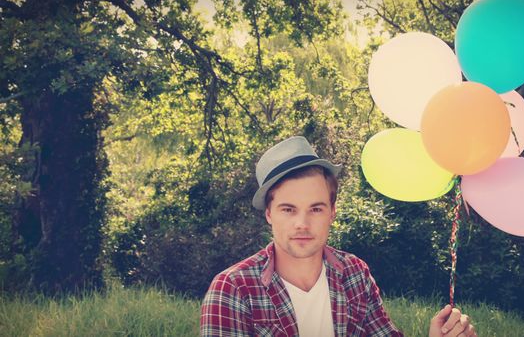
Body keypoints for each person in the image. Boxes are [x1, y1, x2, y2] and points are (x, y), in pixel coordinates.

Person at [201, 136, 477, 337]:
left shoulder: (355, 274)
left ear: (332, 212)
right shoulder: (233, 289)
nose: (302, 223)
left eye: (316, 209)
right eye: (288, 209)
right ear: (269, 214)